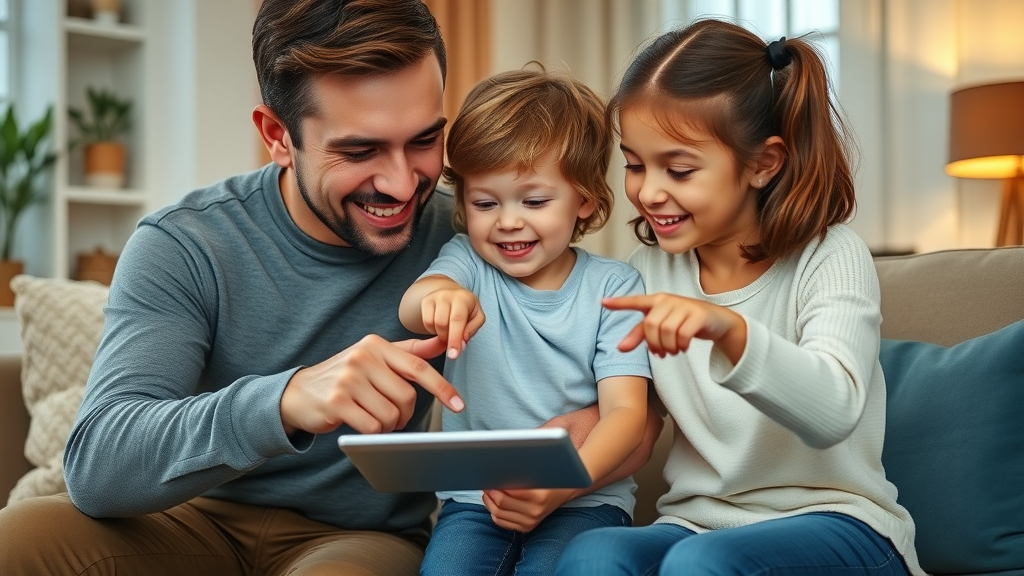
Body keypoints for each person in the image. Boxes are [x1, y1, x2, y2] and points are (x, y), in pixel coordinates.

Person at [0, 1, 662, 575]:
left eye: (425, 140)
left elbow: (604, 353)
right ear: (276, 137)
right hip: (188, 521)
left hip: (361, 540)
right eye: (360, 151)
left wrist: (583, 432)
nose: (403, 185)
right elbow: (98, 464)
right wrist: (284, 400)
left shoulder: (478, 233)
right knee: (17, 541)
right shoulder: (186, 244)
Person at [554, 18, 925, 576]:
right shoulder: (648, 271)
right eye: (634, 164)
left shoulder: (830, 257)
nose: (648, 191)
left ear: (762, 163)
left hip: (844, 524)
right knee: (593, 555)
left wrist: (728, 330)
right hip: (697, 522)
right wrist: (542, 471)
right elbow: (632, 415)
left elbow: (834, 409)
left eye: (678, 169)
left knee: (701, 565)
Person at [398, 68, 653, 576]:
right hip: (475, 501)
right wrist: (439, 299)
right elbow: (415, 301)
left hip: (585, 498)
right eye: (484, 203)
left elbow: (626, 414)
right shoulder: (467, 262)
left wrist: (565, 484)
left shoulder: (615, 287)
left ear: (584, 199)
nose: (508, 220)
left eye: (534, 201)